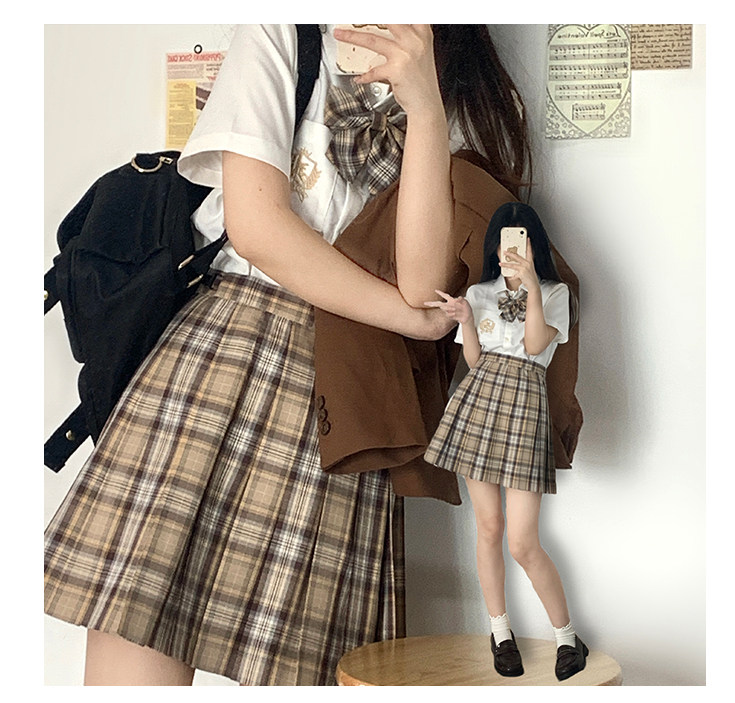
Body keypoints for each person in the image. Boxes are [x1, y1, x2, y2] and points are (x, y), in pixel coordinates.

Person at [44, 24, 534, 686]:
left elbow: (423, 285)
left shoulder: (463, 86)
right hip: (222, 356)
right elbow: (257, 229)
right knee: (135, 637)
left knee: (307, 665)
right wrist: (410, 321)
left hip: (345, 387)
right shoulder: (285, 30)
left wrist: (424, 106)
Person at [424, 201, 588, 682]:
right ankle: (500, 633)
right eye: (504, 241)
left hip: (525, 408)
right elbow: (476, 363)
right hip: (479, 402)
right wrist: (465, 319)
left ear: (535, 245)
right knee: (489, 526)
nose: (511, 250)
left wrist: (532, 285)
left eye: (521, 240)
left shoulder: (555, 293)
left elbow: (535, 346)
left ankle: (567, 638)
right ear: (494, 247)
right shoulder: (479, 292)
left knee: (522, 542)